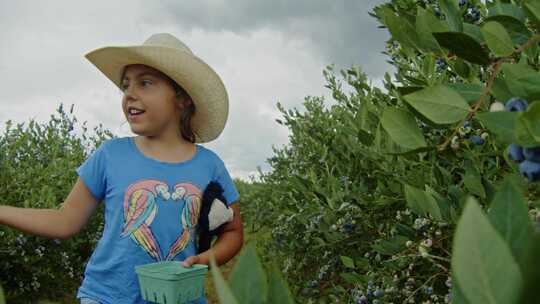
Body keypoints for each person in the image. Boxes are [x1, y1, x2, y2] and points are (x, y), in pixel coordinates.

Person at [0, 33, 244, 304]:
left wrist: (203, 260)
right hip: (107, 297)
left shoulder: (209, 166)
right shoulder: (110, 155)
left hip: (179, 298)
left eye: (145, 83)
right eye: (126, 85)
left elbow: (233, 233)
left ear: (182, 98)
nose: (130, 94)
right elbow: (64, 221)